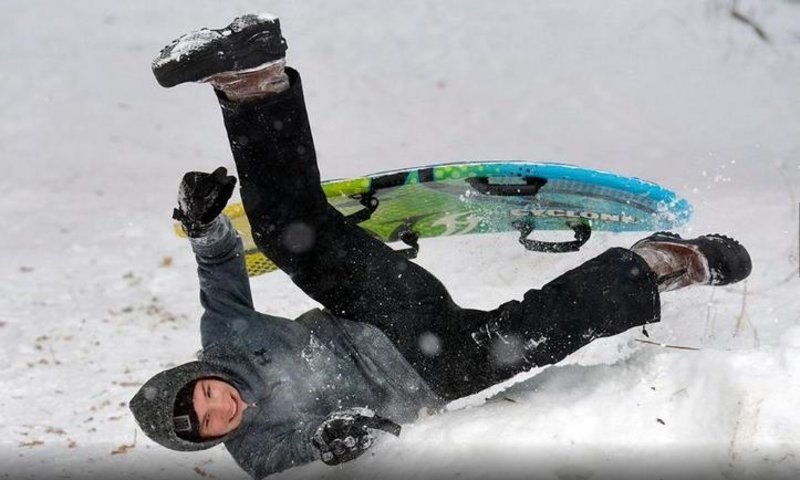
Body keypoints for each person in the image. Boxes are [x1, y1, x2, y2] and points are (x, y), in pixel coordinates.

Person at [129, 13, 752, 479]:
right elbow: (304, 447)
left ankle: (252, 78)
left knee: (288, 230)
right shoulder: (255, 449)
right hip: (430, 373)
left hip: (374, 307)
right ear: (212, 441)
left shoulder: (227, 336)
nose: (222, 408)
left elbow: (219, 268)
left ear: (200, 374)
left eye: (206, 395)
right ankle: (668, 263)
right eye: (211, 425)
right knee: (525, 335)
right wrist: (332, 436)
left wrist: (203, 223)